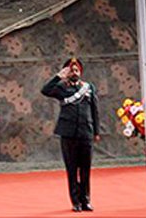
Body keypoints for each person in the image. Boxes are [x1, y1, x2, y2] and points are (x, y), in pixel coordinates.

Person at [41, 57, 100, 212]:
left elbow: (94, 110)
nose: (74, 72)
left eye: (76, 70)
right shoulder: (60, 88)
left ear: (80, 72)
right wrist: (58, 76)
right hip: (68, 134)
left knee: (85, 169)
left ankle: (86, 200)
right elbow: (45, 90)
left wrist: (96, 132)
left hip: (86, 132)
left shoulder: (88, 88)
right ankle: (75, 202)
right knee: (72, 169)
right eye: (71, 70)